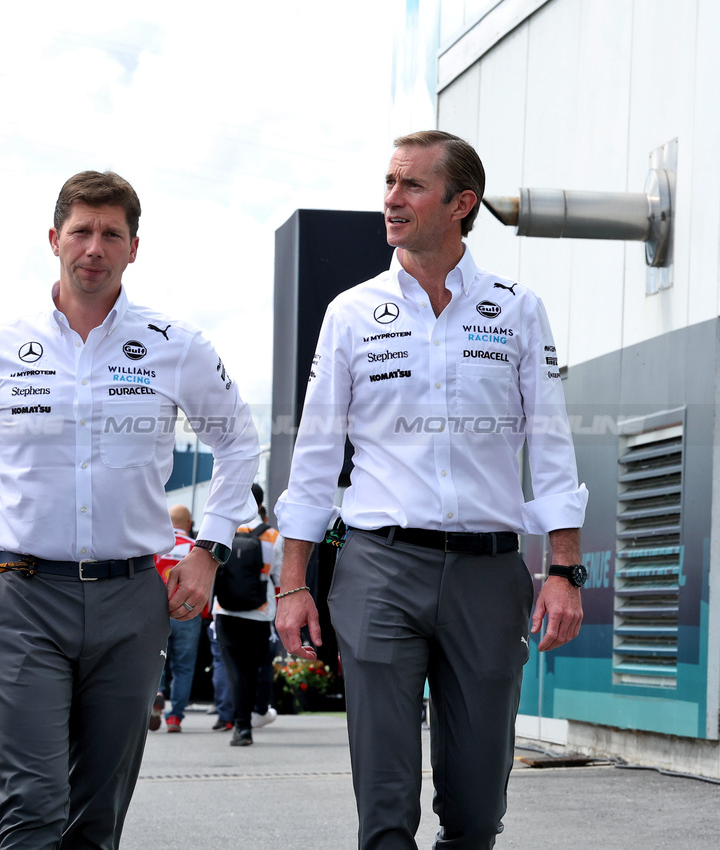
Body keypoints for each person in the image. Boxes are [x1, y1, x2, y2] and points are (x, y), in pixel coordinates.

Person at [0, 170, 260, 849]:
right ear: (53, 240)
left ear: (134, 248)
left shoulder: (175, 344)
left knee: (95, 821)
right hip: (20, 596)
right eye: (80, 232)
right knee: (33, 804)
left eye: (111, 234)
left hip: (131, 599)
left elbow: (239, 444)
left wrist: (206, 550)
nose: (93, 248)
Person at [274, 130, 587, 849]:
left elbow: (550, 443)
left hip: (488, 574)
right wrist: (292, 582)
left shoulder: (515, 308)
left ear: (460, 203)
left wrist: (563, 570)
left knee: (476, 813)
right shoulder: (350, 312)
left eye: (411, 185)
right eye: (388, 182)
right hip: (379, 570)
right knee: (384, 808)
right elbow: (317, 452)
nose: (390, 199)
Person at [212, 482, 282, 746]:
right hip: (259, 614)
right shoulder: (274, 537)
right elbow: (279, 576)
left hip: (225, 610)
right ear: (261, 504)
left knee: (233, 670)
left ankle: (238, 724)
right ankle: (245, 727)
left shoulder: (223, 532)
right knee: (250, 671)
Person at [152, 504, 197, 733]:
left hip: (156, 612)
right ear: (189, 524)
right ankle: (175, 718)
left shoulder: (156, 547)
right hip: (187, 612)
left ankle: (156, 696)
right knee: (184, 666)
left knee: (154, 661)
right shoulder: (194, 548)